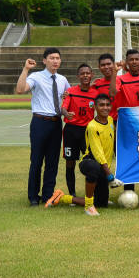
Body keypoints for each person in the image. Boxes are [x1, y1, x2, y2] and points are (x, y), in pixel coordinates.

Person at [44, 93, 122, 215]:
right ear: (95, 107)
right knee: (93, 168)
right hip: (89, 162)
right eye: (101, 105)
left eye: (107, 105)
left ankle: (62, 197)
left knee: (102, 203)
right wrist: (109, 175)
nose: (105, 108)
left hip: (103, 166)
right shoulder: (92, 126)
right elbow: (98, 153)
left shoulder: (111, 121)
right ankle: (89, 207)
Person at [16, 47, 70, 206]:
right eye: (52, 58)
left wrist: (67, 98)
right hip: (40, 122)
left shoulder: (62, 79)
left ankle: (47, 195)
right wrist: (26, 69)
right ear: (44, 60)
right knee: (37, 161)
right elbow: (20, 90)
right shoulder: (36, 76)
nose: (55, 61)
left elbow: (69, 96)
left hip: (56, 123)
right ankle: (33, 196)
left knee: (52, 162)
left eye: (57, 58)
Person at [109, 49, 139, 203]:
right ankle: (129, 191)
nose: (134, 62)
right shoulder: (122, 78)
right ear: (127, 62)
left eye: (136, 59)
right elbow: (113, 93)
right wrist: (115, 72)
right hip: (126, 125)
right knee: (128, 158)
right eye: (131, 59)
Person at [61, 63, 99, 198]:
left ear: (92, 75)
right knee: (70, 162)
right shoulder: (70, 91)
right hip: (71, 131)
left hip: (87, 132)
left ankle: (94, 194)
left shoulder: (95, 93)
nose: (85, 76)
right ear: (78, 76)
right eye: (82, 73)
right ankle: (72, 195)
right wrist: (66, 113)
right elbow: (63, 108)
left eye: (88, 73)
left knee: (92, 163)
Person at [92, 53, 118, 122]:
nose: (106, 67)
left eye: (109, 64)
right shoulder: (96, 84)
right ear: (99, 67)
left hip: (121, 121)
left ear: (114, 64)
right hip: (104, 122)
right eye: (103, 65)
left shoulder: (122, 81)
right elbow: (90, 101)